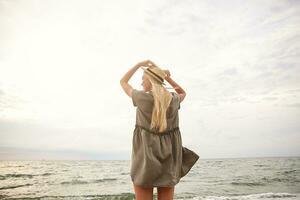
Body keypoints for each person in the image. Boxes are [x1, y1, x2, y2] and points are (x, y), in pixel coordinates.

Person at [120, 60, 199, 200]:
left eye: (143, 79)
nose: (141, 83)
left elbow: (123, 82)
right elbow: (182, 92)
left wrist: (139, 65)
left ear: (150, 80)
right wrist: (166, 77)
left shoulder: (141, 97)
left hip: (145, 160)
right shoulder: (173, 99)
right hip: (169, 160)